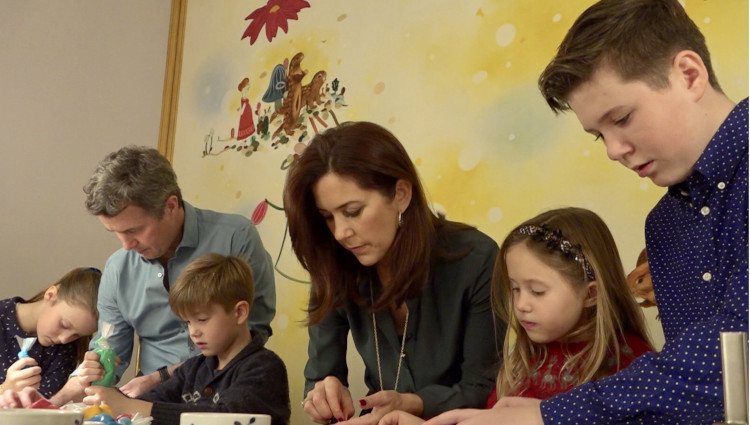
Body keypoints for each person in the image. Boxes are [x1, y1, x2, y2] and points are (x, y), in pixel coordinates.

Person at [429, 0, 746, 423]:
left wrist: (552, 416)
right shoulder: (665, 226)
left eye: (623, 117)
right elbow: (687, 400)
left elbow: (737, 351)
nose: (614, 151)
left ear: (688, 74)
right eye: (599, 135)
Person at [284, 121, 504, 425]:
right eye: (327, 218)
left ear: (400, 194)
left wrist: (412, 403)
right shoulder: (333, 266)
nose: (340, 233)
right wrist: (322, 394)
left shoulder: (476, 259)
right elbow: (320, 375)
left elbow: (481, 388)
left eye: (352, 211)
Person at [379, 207, 653, 425]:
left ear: (591, 294)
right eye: (514, 289)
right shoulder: (522, 361)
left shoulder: (633, 369)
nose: (521, 304)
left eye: (537, 291)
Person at [53, 145, 276, 403]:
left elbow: (253, 333)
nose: (126, 245)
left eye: (134, 230)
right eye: (115, 232)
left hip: (223, 395)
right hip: (149, 404)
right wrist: (89, 374)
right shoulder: (117, 269)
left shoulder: (236, 237)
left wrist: (162, 377)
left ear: (171, 206)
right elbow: (109, 351)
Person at [2, 255, 291, 425]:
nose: (193, 332)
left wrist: (137, 408)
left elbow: (228, 418)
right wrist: (108, 403)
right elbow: (143, 401)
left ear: (240, 312)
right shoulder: (195, 368)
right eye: (188, 322)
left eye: (201, 320)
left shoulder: (263, 368)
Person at [0, 267, 100, 401]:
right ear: (51, 295)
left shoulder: (67, 349)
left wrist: (69, 391)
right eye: (64, 324)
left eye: (76, 335)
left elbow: (43, 412)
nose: (64, 339)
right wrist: (5, 389)